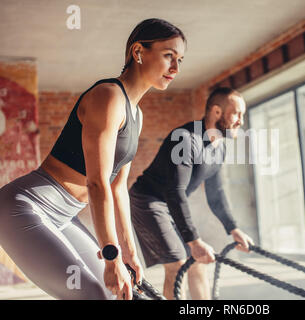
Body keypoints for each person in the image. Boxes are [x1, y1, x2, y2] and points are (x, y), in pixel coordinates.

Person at [0, 18, 186, 300]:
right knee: (91, 293)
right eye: (168, 56)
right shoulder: (108, 96)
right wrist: (112, 260)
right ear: (138, 52)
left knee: (113, 293)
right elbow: (97, 183)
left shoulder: (136, 114)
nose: (175, 68)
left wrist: (128, 254)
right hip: (24, 207)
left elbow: (118, 187)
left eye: (180, 60)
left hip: (65, 215)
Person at [129, 87, 254, 300]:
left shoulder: (219, 147)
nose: (241, 121)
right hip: (148, 200)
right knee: (178, 265)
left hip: (171, 203)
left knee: (198, 261)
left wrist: (233, 228)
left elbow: (217, 192)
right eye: (236, 113)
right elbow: (175, 191)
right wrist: (194, 241)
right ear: (216, 112)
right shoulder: (185, 139)